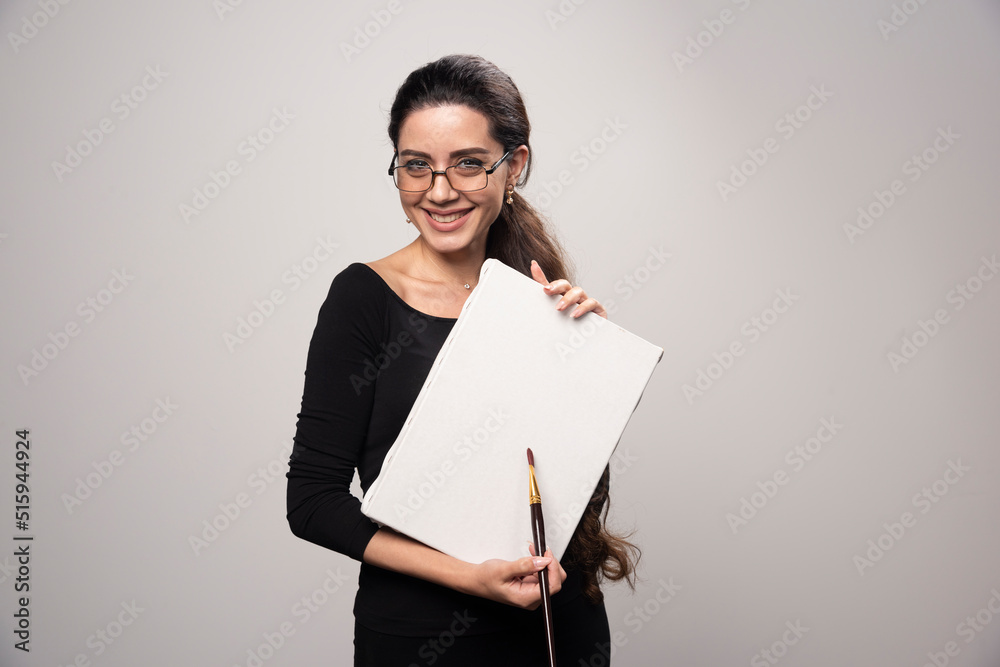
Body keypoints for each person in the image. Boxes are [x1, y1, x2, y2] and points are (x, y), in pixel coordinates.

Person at [286, 54, 639, 666]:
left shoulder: (539, 297)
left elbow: (561, 492)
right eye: (416, 166)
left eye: (469, 164)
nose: (440, 191)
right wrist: (467, 576)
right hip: (419, 637)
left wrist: (592, 369)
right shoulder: (363, 298)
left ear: (514, 166)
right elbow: (312, 502)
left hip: (560, 629)